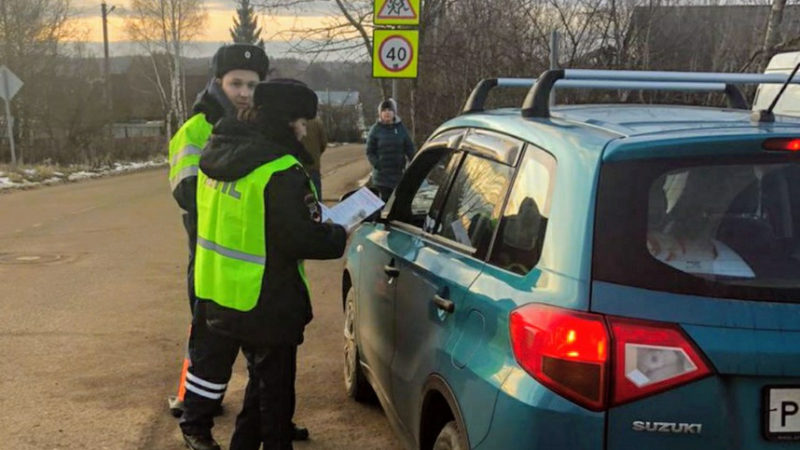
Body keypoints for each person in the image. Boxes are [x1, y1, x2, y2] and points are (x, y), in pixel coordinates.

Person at [179, 78, 347, 450]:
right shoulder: (279, 169)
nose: (305, 129)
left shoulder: (215, 153)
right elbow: (299, 237)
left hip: (219, 290)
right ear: (287, 121)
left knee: (258, 391)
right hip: (267, 299)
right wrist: (339, 234)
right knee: (274, 399)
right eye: (302, 121)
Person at [167, 43, 269, 421]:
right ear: (217, 83)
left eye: (252, 85)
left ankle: (268, 414)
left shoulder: (264, 126)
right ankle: (192, 407)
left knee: (264, 342)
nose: (244, 92)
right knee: (206, 337)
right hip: (211, 256)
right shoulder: (195, 130)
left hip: (256, 256)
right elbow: (187, 193)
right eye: (235, 83)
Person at [365, 98, 416, 200]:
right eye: (384, 110)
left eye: (390, 110)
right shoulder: (375, 130)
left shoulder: (401, 129)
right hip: (381, 178)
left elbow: (410, 148)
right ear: (380, 113)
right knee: (383, 206)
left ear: (394, 113)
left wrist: (415, 164)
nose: (387, 113)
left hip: (398, 175)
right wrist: (377, 164)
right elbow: (369, 151)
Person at [301, 115, 327, 196]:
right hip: (313, 165)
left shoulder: (291, 122)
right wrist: (316, 154)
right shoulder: (317, 122)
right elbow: (323, 143)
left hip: (297, 166)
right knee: (316, 194)